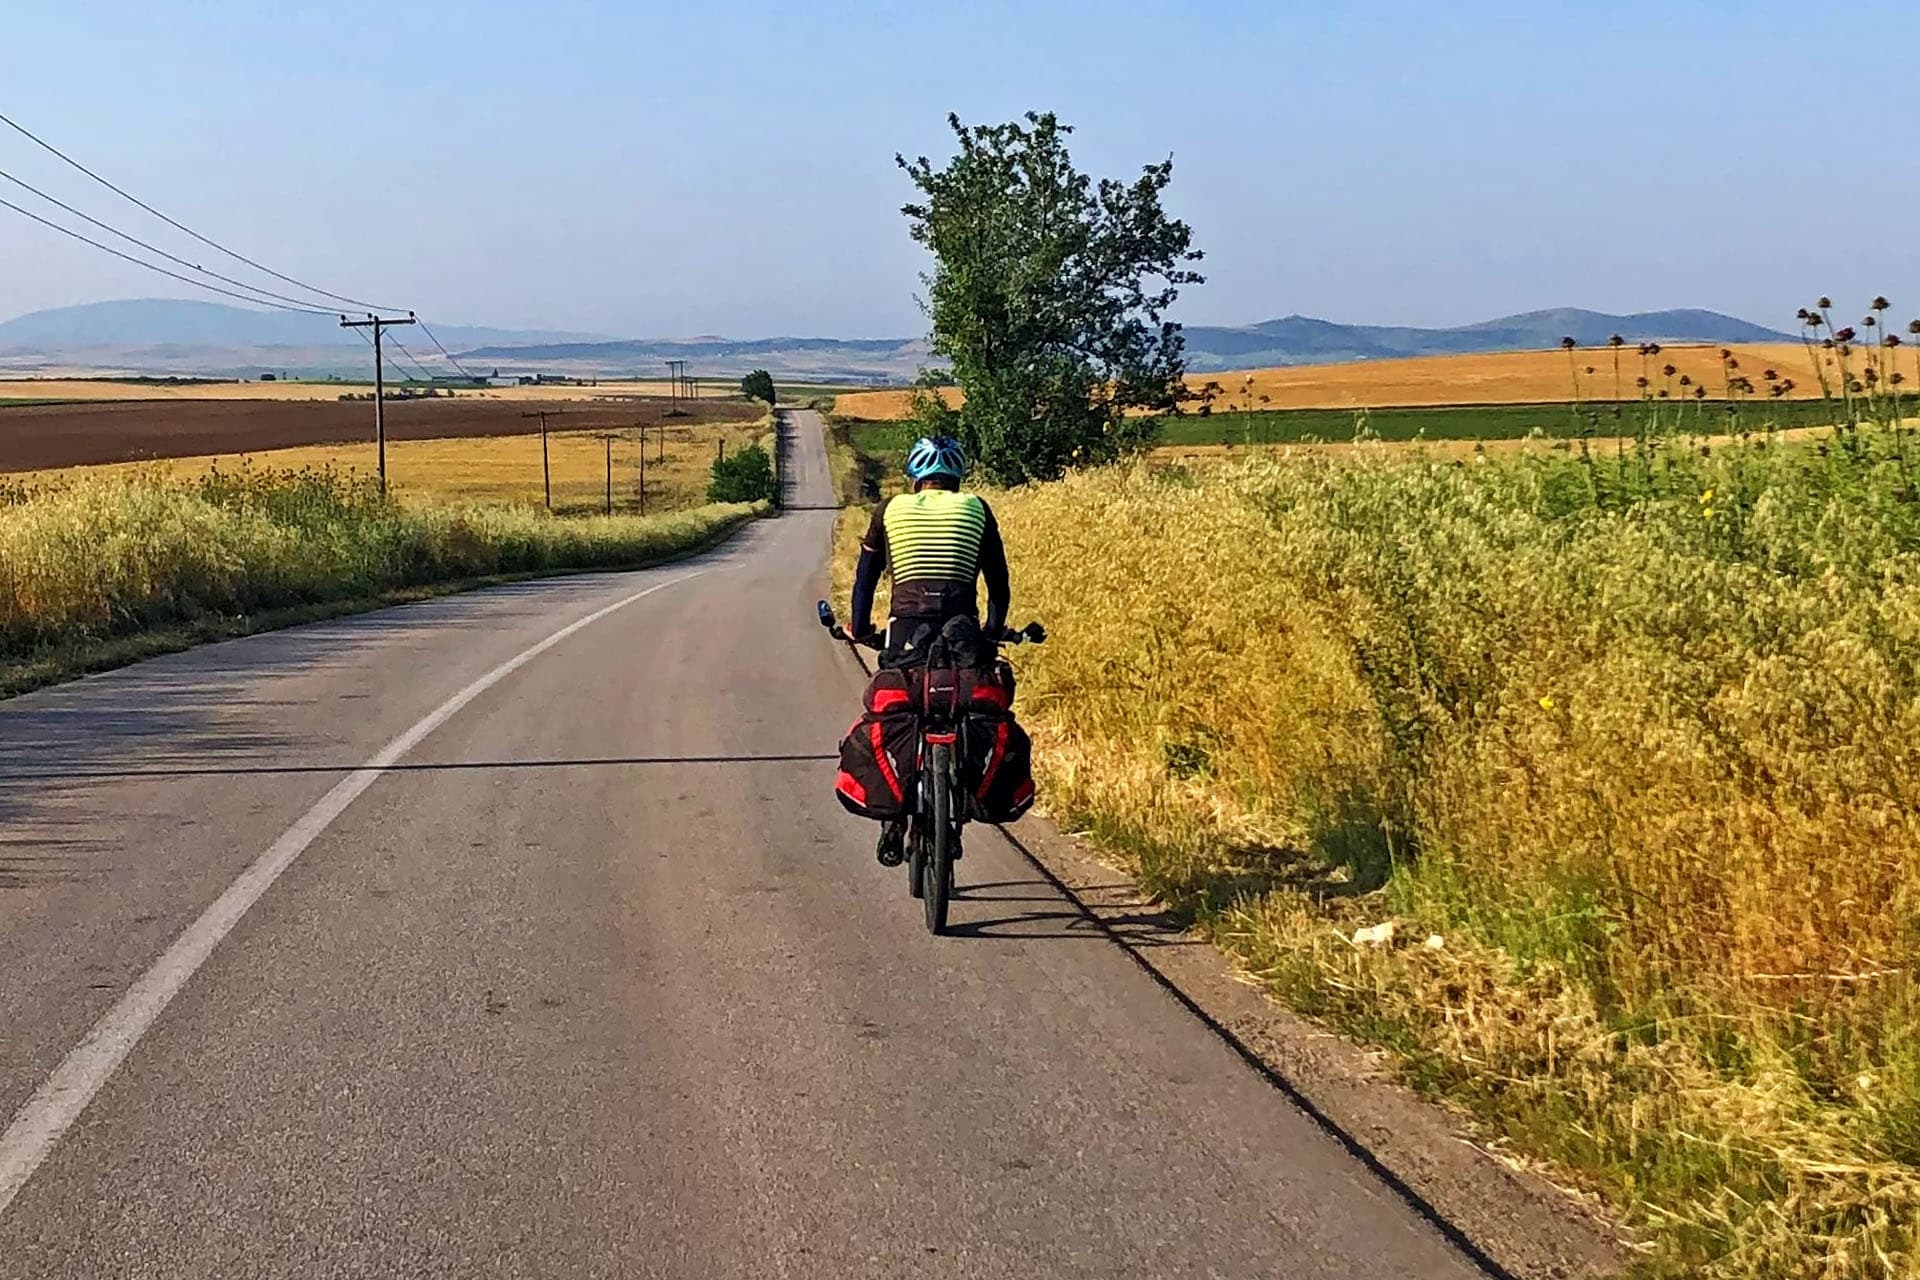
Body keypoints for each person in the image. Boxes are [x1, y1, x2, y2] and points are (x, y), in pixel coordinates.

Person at [848, 434, 1010, 866]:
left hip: (905, 631)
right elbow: (998, 585)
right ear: (957, 478)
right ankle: (958, 796)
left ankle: (893, 821)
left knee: (901, 707)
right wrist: (992, 635)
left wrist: (859, 628)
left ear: (916, 478)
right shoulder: (977, 508)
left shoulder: (890, 510)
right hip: (962, 631)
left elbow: (865, 581)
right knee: (965, 705)